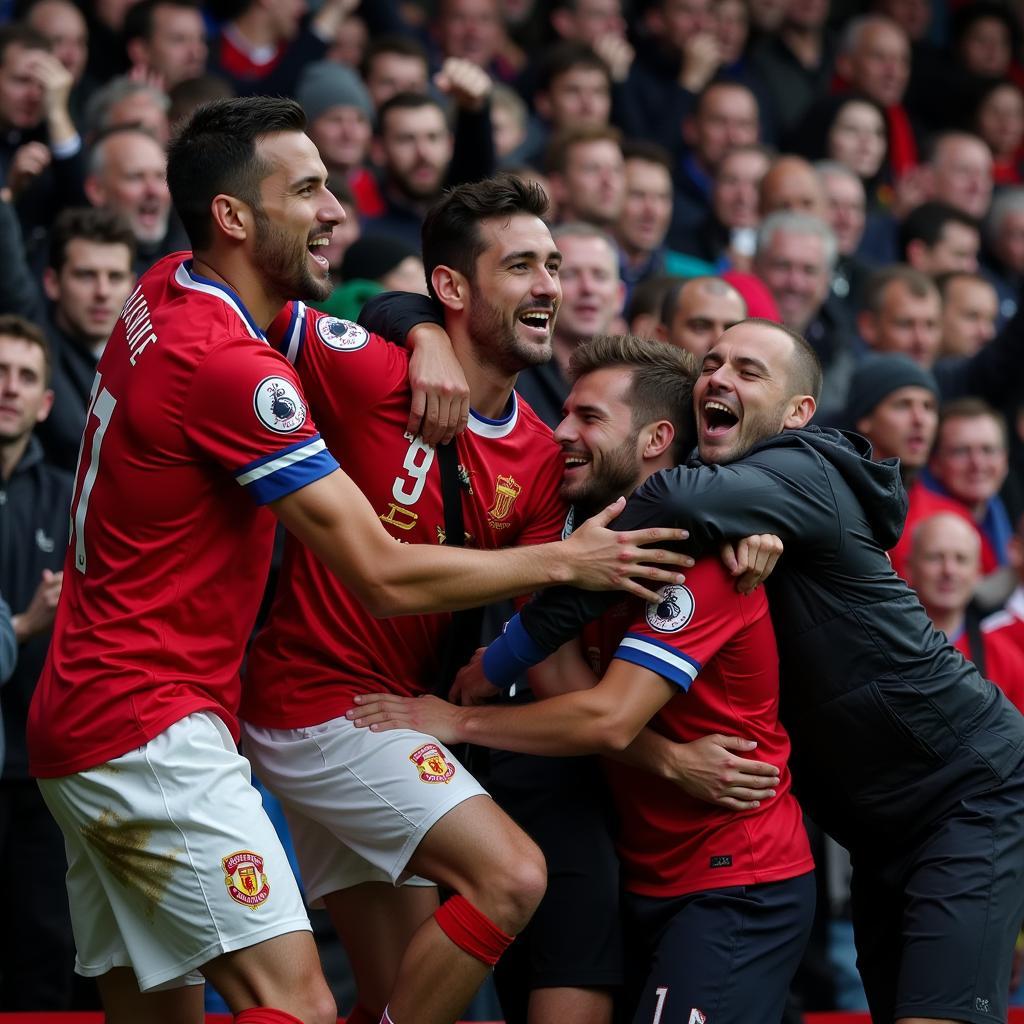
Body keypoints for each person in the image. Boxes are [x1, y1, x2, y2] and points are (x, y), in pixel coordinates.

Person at [25, 97, 690, 1024]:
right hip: (163, 718)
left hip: (95, 716)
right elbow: (379, 570)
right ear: (233, 216)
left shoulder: (168, 286)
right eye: (308, 188)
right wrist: (563, 563)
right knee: (307, 999)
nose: (336, 209)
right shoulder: (245, 366)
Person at [243, 177, 719, 1024]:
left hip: (385, 719)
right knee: (514, 875)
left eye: (556, 265)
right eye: (523, 266)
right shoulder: (366, 366)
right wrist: (414, 325)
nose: (549, 285)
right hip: (318, 706)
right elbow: (254, 304)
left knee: (408, 997)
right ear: (456, 288)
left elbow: (554, 656)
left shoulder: (540, 458)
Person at [462, 316, 1024, 1024]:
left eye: (749, 371)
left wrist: (506, 658)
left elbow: (669, 500)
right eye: (712, 363)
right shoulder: (736, 514)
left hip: (966, 794)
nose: (719, 378)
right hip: (877, 826)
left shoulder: (801, 470)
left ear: (798, 415)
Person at [349, 333, 816, 1024]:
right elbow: (565, 691)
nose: (560, 432)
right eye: (564, 412)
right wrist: (669, 759)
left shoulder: (710, 558)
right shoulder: (569, 539)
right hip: (646, 870)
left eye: (588, 418)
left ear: (658, 438)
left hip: (734, 877)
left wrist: (450, 720)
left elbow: (604, 718)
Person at [0, 315, 74, 1010]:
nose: (9, 388)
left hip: (43, 776)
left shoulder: (69, 498)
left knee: (45, 962)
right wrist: (23, 625)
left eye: (25, 377)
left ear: (46, 404)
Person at [906, 512, 1024, 712]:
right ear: (909, 567)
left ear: (978, 573)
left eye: (961, 559)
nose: (949, 570)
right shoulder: (884, 643)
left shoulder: (1003, 657)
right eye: (935, 557)